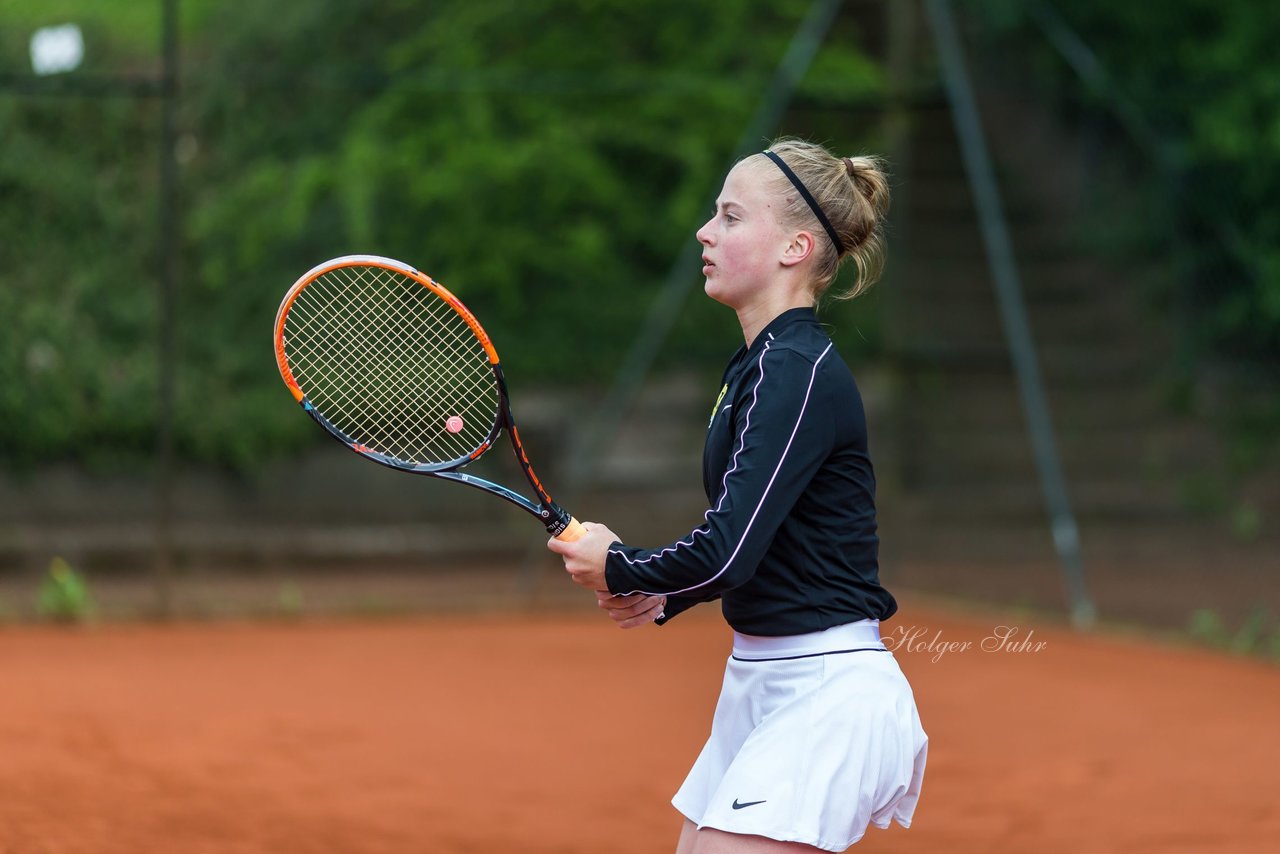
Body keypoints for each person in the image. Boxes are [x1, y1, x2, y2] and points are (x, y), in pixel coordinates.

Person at [548, 138, 927, 853]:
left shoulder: (794, 368)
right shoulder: (759, 367)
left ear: (794, 247)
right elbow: (760, 540)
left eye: (729, 216)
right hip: (761, 682)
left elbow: (726, 553)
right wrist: (667, 594)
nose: (705, 231)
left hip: (828, 692)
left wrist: (625, 567)